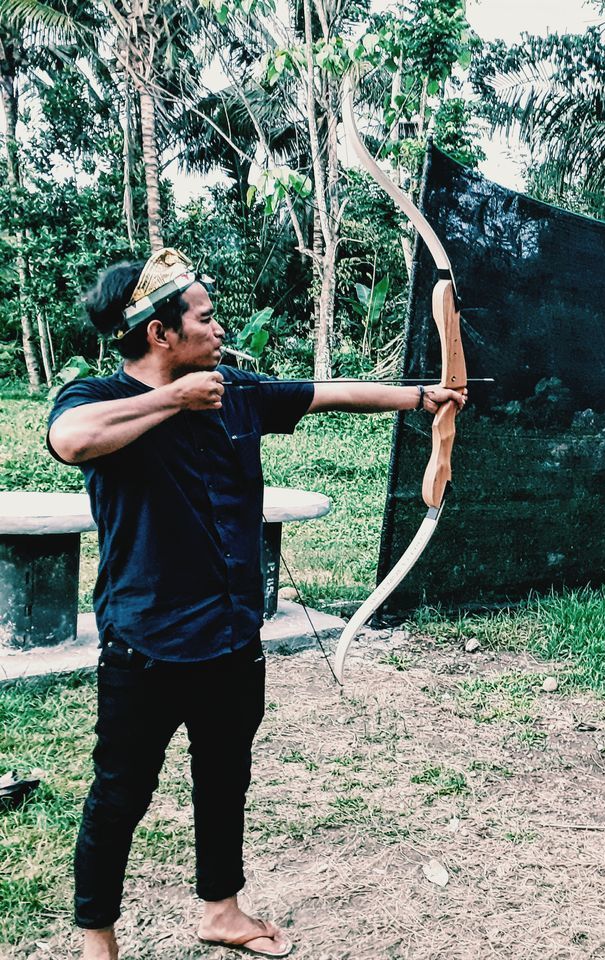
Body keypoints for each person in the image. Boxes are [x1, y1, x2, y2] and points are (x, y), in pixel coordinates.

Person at [47, 248, 466, 960]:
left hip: (233, 638)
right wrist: (171, 401)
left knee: (223, 781)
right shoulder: (92, 399)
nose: (218, 329)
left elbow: (326, 394)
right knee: (118, 798)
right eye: (205, 318)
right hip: (143, 648)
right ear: (160, 334)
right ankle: (97, 943)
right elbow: (70, 442)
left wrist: (425, 397)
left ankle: (221, 911)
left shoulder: (232, 390)